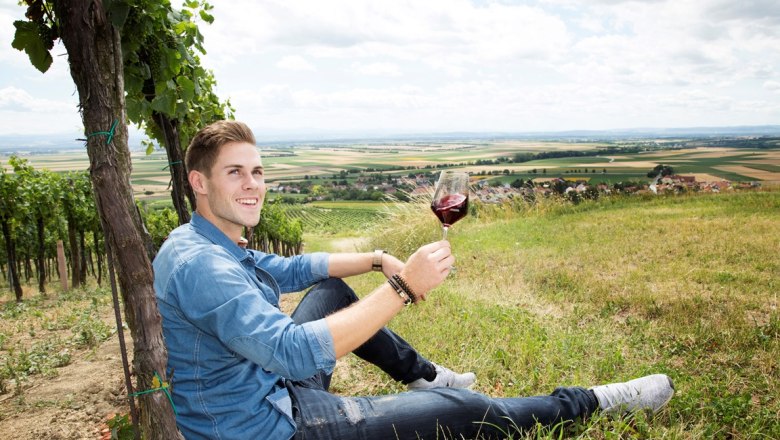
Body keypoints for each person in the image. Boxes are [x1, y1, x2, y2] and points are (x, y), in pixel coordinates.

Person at [153, 120, 675, 439]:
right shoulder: (202, 265)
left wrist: (379, 258)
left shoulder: (201, 241)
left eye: (258, 171)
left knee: (331, 291)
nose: (253, 185)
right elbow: (291, 351)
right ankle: (594, 400)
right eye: (235, 173)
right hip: (272, 427)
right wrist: (403, 289)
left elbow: (290, 269)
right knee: (467, 411)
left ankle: (422, 374)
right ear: (199, 182)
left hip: (264, 388)